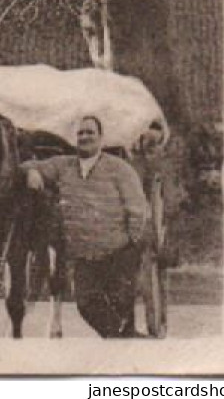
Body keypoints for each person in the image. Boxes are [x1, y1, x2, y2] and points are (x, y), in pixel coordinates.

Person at [23, 115, 150, 337]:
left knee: (120, 303)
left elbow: (137, 207)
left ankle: (124, 342)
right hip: (85, 256)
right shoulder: (63, 166)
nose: (85, 137)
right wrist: (32, 172)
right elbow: (27, 165)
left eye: (90, 132)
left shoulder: (119, 169)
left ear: (101, 137)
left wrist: (131, 243)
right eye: (80, 133)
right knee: (85, 304)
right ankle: (125, 340)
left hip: (118, 252)